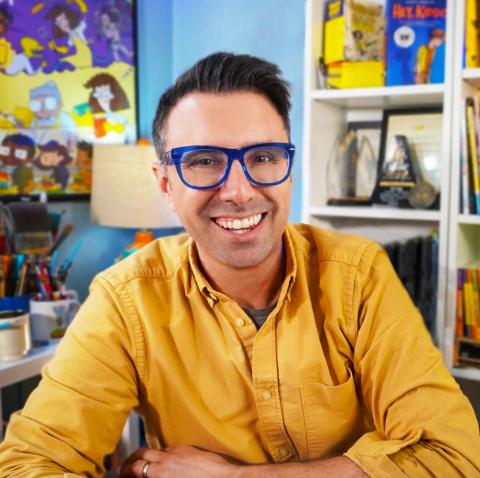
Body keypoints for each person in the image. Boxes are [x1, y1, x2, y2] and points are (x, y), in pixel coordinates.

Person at [0, 52, 479, 478]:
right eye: (205, 160)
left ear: (288, 168)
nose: (239, 190)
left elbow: (454, 456)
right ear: (165, 184)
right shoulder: (126, 300)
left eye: (264, 156)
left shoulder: (358, 275)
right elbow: (33, 460)